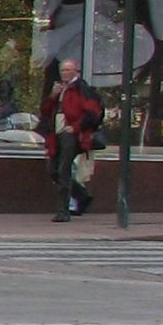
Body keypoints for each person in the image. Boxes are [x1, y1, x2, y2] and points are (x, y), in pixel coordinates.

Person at [41, 56, 104, 222]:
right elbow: (45, 111)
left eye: (68, 70)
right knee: (54, 170)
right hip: (57, 134)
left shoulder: (81, 89)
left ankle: (63, 211)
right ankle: (82, 196)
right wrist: (53, 95)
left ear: (76, 71)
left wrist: (75, 128)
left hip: (71, 135)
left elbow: (93, 113)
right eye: (62, 70)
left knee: (63, 170)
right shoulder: (60, 89)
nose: (65, 73)